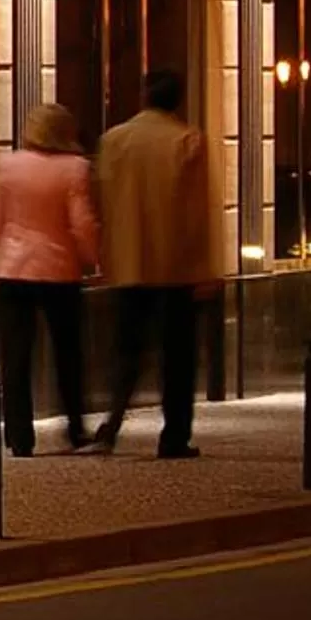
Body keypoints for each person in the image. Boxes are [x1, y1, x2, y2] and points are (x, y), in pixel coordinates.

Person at [91, 70, 215, 458]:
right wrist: (205, 268)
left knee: (126, 351)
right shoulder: (187, 141)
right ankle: (173, 436)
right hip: (174, 268)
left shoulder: (113, 140)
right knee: (177, 360)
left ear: (144, 95)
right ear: (178, 99)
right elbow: (197, 214)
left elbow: (100, 202)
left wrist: (105, 254)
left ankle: (111, 423)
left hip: (128, 264)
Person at [0, 102, 99, 455]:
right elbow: (81, 221)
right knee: (68, 353)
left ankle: (19, 436)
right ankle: (75, 427)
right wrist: (92, 257)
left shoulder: (7, 165)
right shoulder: (75, 168)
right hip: (58, 267)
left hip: (13, 267)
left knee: (15, 357)